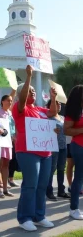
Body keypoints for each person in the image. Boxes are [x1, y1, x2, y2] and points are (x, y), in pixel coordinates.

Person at [12, 65, 57, 232]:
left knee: (42, 185)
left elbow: (53, 112)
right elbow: (22, 97)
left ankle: (39, 216)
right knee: (30, 185)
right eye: (29, 90)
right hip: (27, 151)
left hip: (45, 152)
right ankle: (25, 218)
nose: (32, 92)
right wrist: (29, 77)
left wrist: (53, 97)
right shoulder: (19, 108)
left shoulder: (39, 109)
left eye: (33, 91)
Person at [64, 85, 83, 220]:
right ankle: (74, 208)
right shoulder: (73, 111)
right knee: (79, 177)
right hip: (79, 146)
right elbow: (67, 130)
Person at [46, 99, 70, 201]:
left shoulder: (62, 117)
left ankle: (61, 190)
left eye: (60, 103)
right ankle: (49, 191)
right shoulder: (48, 118)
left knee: (61, 168)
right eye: (57, 103)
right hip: (53, 146)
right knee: (52, 169)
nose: (59, 105)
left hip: (63, 146)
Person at [0, 92, 16, 198]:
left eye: (11, 100)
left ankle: (5, 189)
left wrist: (14, 136)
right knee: (0, 164)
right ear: (2, 101)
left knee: (6, 164)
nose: (10, 102)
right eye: (8, 100)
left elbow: (13, 128)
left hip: (8, 142)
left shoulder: (10, 113)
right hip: (0, 141)